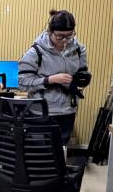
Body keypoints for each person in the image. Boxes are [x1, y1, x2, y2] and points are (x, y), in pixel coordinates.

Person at [18, 9, 89, 146]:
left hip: (68, 110)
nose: (65, 40)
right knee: (42, 151)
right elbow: (22, 82)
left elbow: (81, 74)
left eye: (69, 35)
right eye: (60, 36)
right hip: (42, 111)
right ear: (50, 31)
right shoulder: (36, 52)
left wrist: (83, 79)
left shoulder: (79, 49)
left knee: (61, 148)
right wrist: (49, 80)